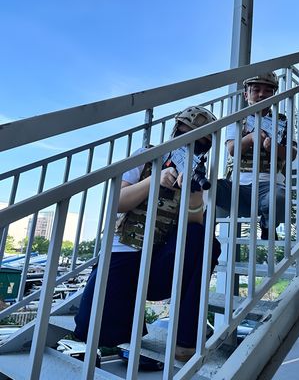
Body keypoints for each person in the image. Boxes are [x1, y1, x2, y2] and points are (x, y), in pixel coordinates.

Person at [74, 106, 221, 367]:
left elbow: (194, 233)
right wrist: (155, 179)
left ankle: (185, 339)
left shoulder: (198, 177)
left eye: (200, 143)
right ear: (176, 132)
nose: (191, 146)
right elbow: (118, 201)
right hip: (126, 251)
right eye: (186, 135)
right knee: (93, 328)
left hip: (161, 263)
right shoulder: (147, 156)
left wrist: (194, 197)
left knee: (206, 239)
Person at [216, 72, 297, 239]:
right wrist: (250, 138)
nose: (261, 94)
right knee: (212, 188)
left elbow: (292, 154)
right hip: (238, 187)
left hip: (269, 186)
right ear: (246, 95)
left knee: (280, 196)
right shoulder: (237, 119)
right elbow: (232, 149)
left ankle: (267, 225)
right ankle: (203, 233)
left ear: (274, 95)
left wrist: (274, 147)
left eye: (268, 91)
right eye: (256, 90)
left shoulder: (282, 121)